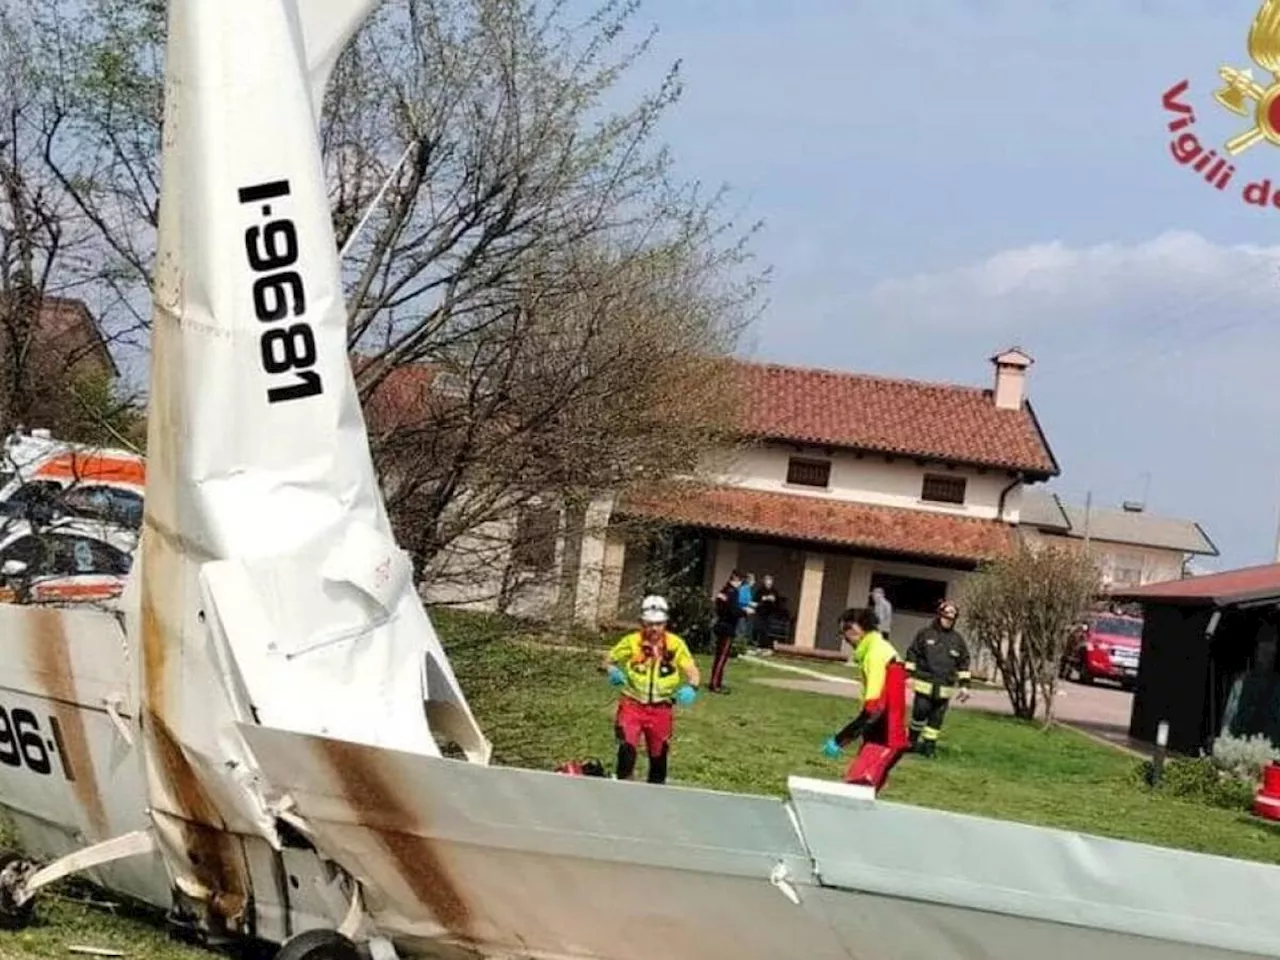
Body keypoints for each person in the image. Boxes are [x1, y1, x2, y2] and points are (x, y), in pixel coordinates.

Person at [602, 595, 700, 784]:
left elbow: (692, 670)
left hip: (661, 708)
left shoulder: (675, 644)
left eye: (659, 624)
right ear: (641, 623)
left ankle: (655, 796)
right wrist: (611, 669)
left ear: (665, 623)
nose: (654, 629)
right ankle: (623, 791)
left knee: (658, 757)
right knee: (627, 751)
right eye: (649, 624)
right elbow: (607, 659)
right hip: (632, 705)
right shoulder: (632, 641)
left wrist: (692, 687)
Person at [820, 608, 910, 789]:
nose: (844, 639)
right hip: (878, 737)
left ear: (855, 630)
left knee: (857, 788)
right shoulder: (877, 649)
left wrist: (840, 740)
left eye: (844, 633)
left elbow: (873, 709)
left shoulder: (876, 654)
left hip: (885, 740)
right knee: (855, 788)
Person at [904, 599, 972, 757]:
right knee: (919, 713)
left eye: (952, 617)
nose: (949, 620)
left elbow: (964, 663)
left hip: (944, 689)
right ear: (939, 615)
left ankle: (929, 747)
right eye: (946, 616)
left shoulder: (958, 640)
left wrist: (964, 686)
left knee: (936, 721)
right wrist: (909, 676)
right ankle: (911, 742)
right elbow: (912, 653)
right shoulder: (925, 634)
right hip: (924, 684)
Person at [709, 571, 745, 692]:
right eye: (740, 581)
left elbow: (719, 606)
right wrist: (745, 612)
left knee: (719, 656)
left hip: (721, 624)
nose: (740, 584)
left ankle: (717, 681)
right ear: (735, 580)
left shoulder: (723, 591)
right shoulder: (733, 592)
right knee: (722, 657)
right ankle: (715, 684)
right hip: (728, 627)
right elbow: (733, 611)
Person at [752, 574, 780, 649]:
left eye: (770, 581)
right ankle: (757, 644)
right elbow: (755, 600)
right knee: (758, 628)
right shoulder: (760, 590)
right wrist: (764, 598)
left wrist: (773, 600)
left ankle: (765, 645)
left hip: (769, 613)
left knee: (767, 630)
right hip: (760, 613)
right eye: (767, 581)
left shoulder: (774, 591)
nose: (768, 583)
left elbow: (778, 602)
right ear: (764, 582)